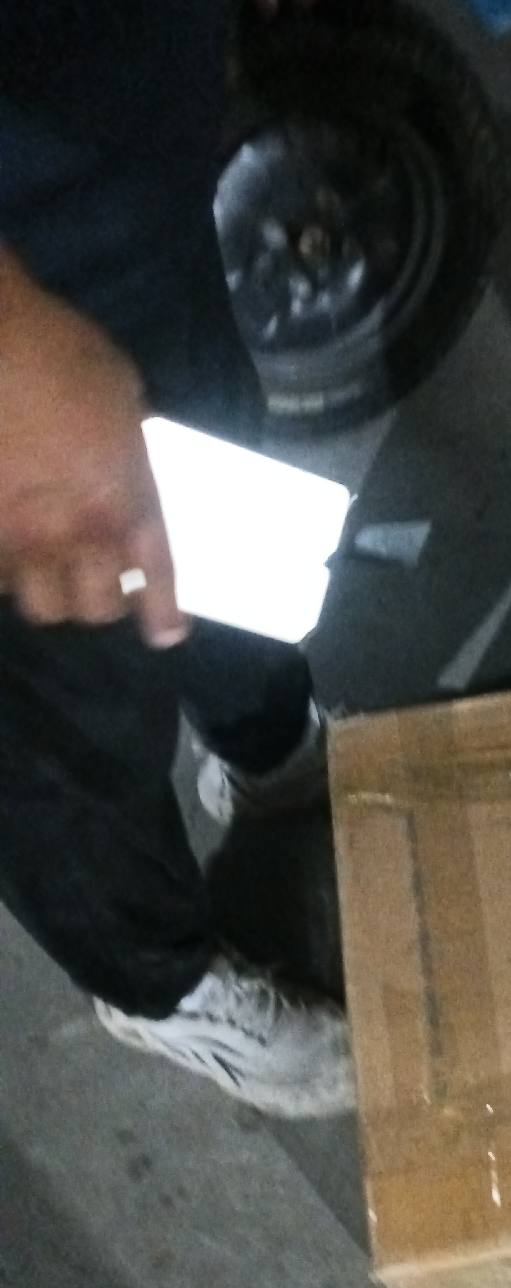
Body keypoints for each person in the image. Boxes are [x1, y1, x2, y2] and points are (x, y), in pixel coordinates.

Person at [0, 1, 353, 1118]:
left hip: (120, 150)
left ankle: (272, 746)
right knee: (61, 691)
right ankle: (154, 982)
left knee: (219, 495)